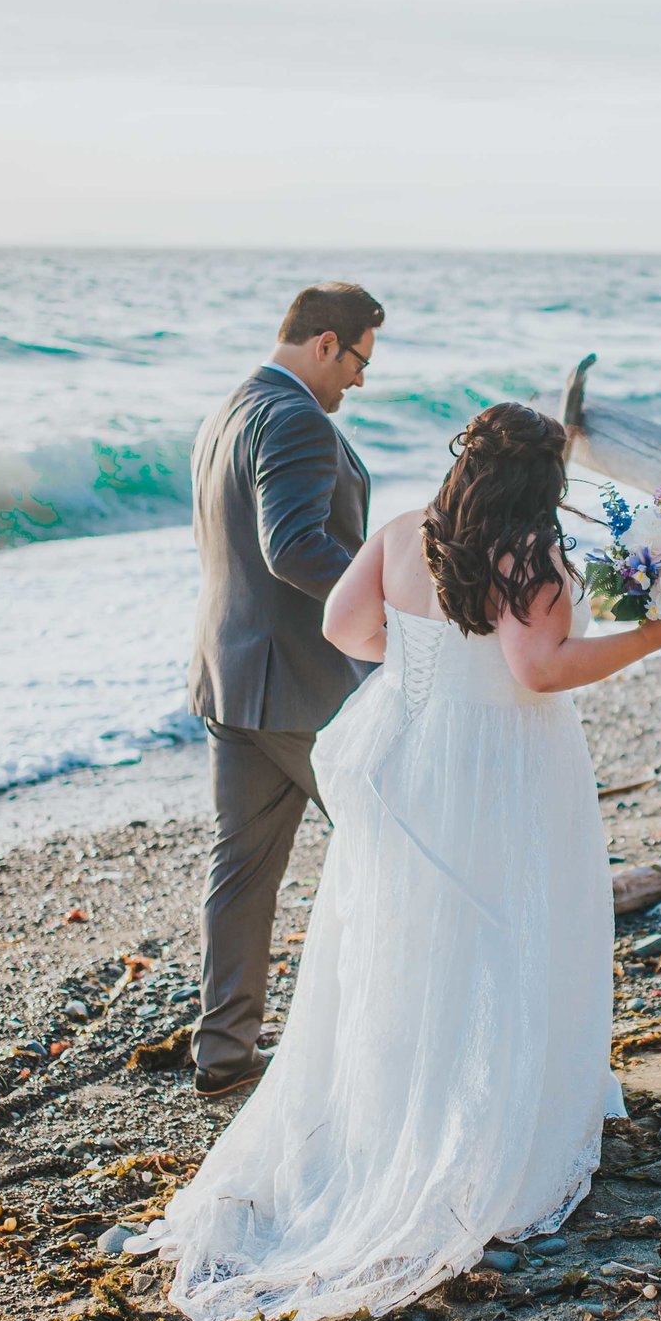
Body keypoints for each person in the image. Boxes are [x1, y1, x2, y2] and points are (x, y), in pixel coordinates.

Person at [137, 402, 661, 1321]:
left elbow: (346, 626)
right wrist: (654, 634)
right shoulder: (531, 556)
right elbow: (538, 671)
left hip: (414, 751)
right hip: (503, 762)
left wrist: (426, 657)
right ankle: (492, 1124)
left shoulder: (404, 533)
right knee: (513, 928)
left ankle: (390, 1115)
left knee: (408, 940)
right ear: (538, 482)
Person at [184, 281, 383, 1098]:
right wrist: (387, 606)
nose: (361, 381)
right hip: (302, 685)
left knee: (241, 872)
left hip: (229, 678)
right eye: (361, 359)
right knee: (392, 843)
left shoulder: (228, 408)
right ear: (326, 343)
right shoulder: (298, 415)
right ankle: (380, 1041)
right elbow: (294, 546)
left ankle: (223, 1054)